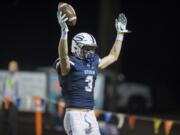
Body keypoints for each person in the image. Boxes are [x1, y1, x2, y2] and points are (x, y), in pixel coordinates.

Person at [54, 9, 130, 135]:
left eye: (92, 49)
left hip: (90, 113)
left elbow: (113, 56)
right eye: (87, 48)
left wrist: (120, 34)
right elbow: (63, 57)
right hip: (74, 115)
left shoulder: (93, 62)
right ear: (77, 47)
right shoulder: (70, 63)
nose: (91, 52)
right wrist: (64, 32)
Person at [0, 60, 20, 135]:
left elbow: (19, 91)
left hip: (12, 102)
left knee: (12, 122)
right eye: (10, 65)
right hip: (4, 101)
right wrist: (3, 97)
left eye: (12, 65)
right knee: (1, 119)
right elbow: (3, 88)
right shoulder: (6, 76)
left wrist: (15, 100)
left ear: (16, 67)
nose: (10, 67)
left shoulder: (18, 77)